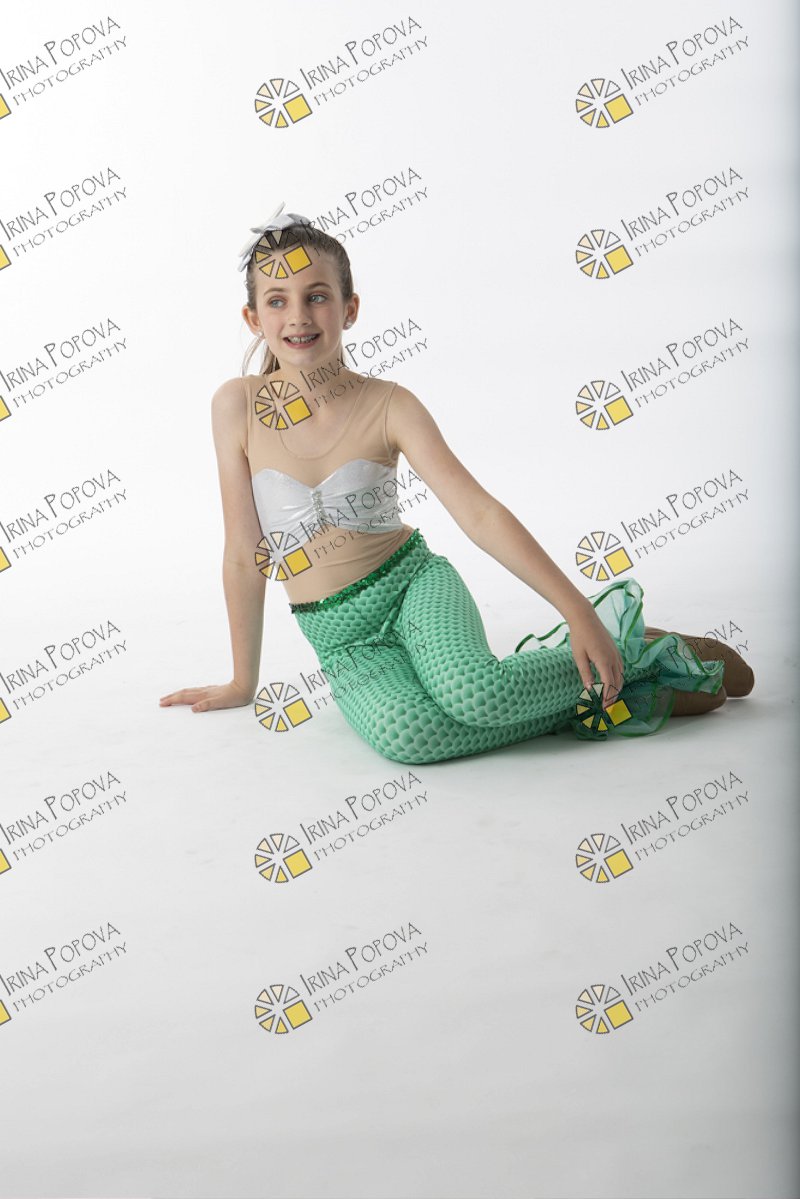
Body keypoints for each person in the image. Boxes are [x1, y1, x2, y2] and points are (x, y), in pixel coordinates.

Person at [159, 203, 754, 764]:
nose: (298, 316)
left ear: (349, 308)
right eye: (277, 300)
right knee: (409, 735)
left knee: (476, 693)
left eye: (317, 296)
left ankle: (629, 648)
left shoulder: (390, 405)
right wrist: (243, 680)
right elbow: (243, 554)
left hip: (412, 587)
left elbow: (479, 513)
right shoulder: (236, 407)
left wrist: (578, 611)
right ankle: (626, 684)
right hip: (342, 638)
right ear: (253, 319)